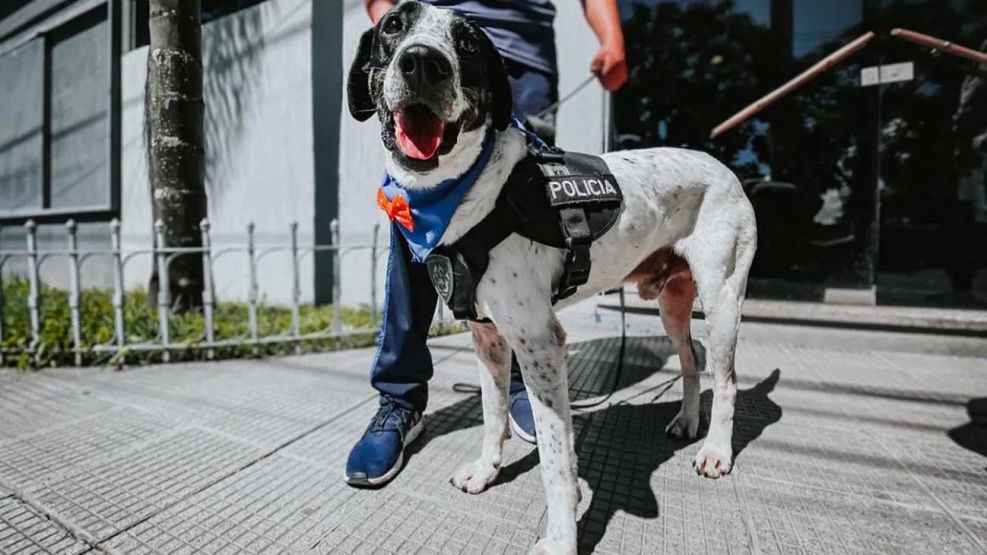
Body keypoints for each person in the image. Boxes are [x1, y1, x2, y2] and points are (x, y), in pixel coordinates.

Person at [345, 0, 628, 487]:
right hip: (420, 44)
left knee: (518, 238)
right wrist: (399, 41)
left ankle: (523, 380)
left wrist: (613, 39)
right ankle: (400, 399)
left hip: (521, 65)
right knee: (419, 245)